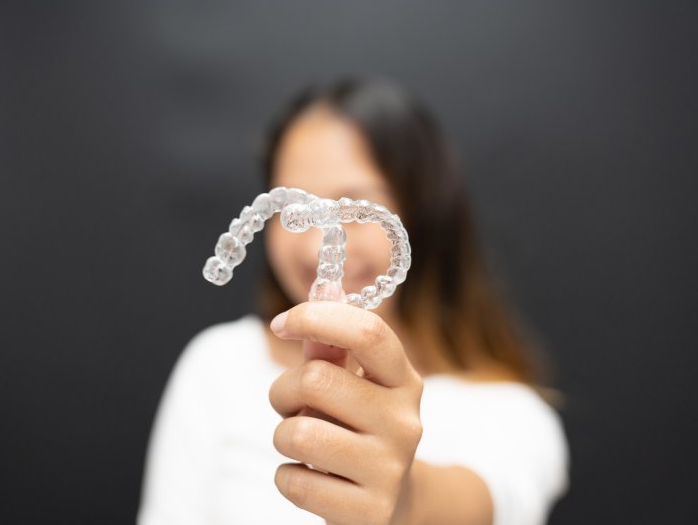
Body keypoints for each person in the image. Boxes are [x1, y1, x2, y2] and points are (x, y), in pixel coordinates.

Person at [138, 78, 569, 525]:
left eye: (357, 207)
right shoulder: (217, 365)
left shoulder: (511, 417)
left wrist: (402, 500)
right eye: (293, 214)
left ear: (424, 214)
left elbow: (483, 502)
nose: (313, 250)